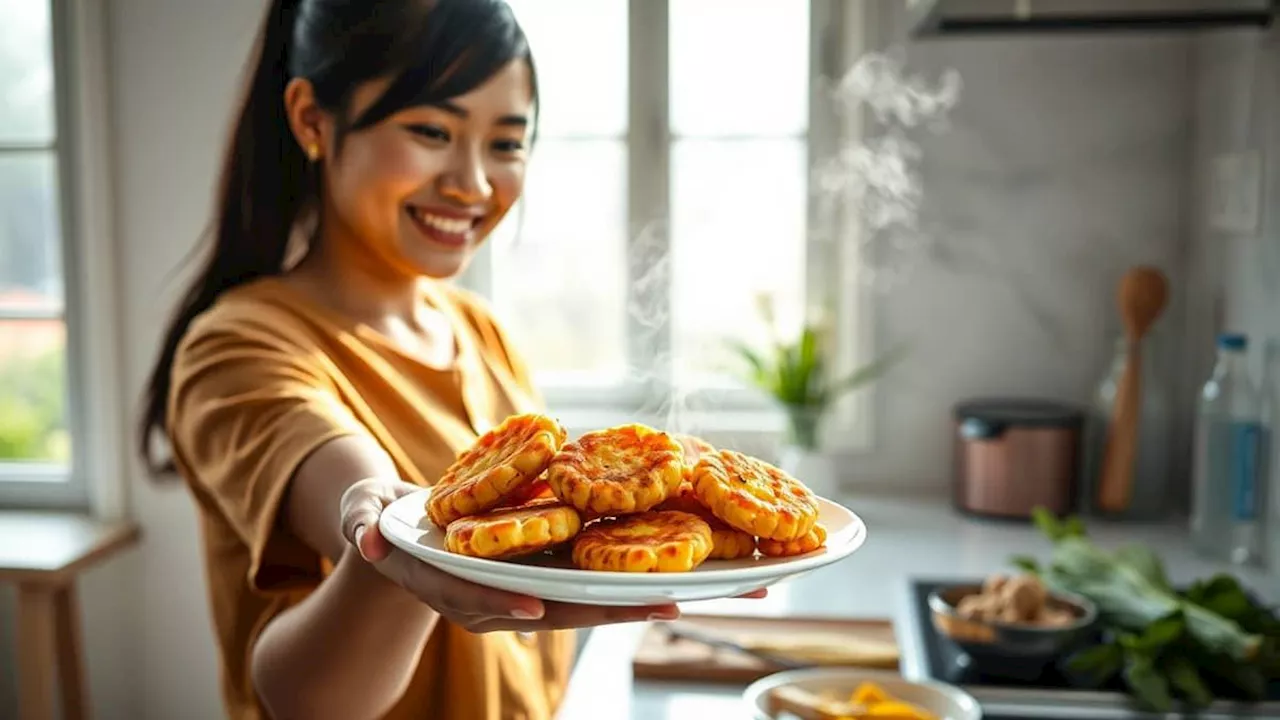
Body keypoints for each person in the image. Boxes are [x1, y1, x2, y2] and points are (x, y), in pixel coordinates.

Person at [135, 1, 746, 718]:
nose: (475, 184)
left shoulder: (483, 333)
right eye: (431, 131)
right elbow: (343, 485)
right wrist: (388, 539)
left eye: (506, 144)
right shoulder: (237, 347)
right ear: (311, 120)